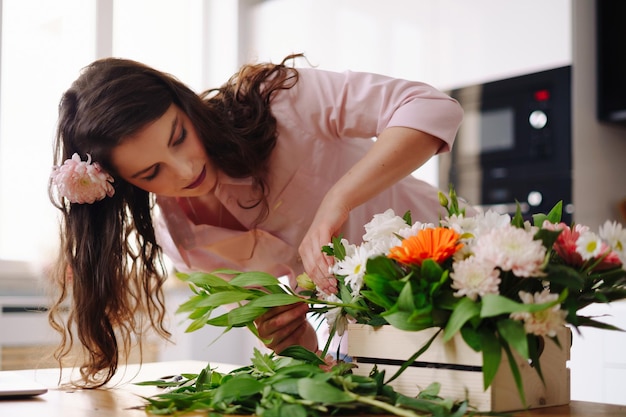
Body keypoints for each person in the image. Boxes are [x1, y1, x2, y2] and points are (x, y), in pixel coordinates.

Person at [48, 53, 464, 387]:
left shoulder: (281, 101)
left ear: (183, 101)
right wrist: (288, 337)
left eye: (178, 136)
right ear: (124, 185)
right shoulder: (182, 240)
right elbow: (306, 347)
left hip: (468, 272)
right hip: (380, 347)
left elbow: (430, 107)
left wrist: (339, 198)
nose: (185, 168)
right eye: (152, 173)